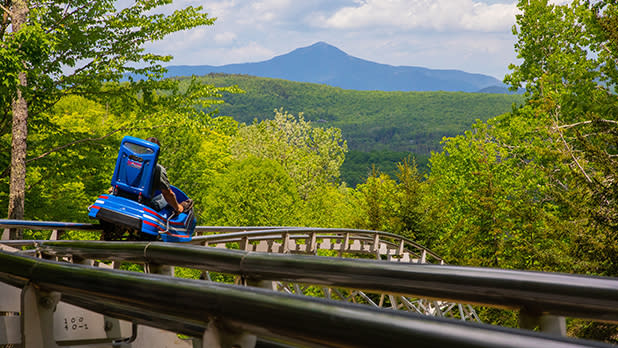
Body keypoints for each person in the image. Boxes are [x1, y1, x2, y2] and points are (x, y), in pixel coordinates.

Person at [146, 137, 193, 214]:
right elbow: (168, 194)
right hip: (144, 204)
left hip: (121, 197)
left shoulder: (128, 161)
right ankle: (178, 210)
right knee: (166, 198)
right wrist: (178, 207)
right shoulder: (158, 169)